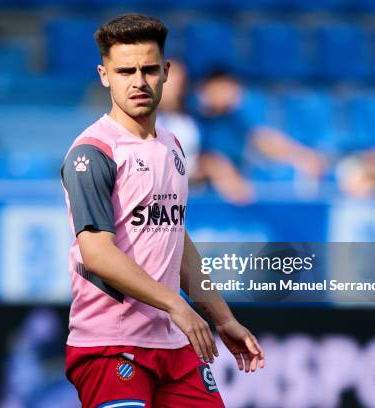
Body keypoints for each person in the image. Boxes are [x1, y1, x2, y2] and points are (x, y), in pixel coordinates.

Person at [60, 14, 264, 408]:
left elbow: (176, 239)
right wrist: (176, 305)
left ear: (166, 72)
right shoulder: (93, 152)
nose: (138, 81)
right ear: (105, 75)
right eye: (125, 71)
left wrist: (222, 319)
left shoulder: (173, 144)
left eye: (149, 69)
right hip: (111, 343)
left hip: (173, 342)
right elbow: (97, 253)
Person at [196, 70, 327, 204]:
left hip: (238, 189)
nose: (223, 95)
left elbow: (263, 139)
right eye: (218, 89)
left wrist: (301, 156)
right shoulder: (194, 119)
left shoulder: (238, 118)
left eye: (227, 89)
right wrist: (218, 170)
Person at [157, 60, 202, 179]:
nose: (176, 90)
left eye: (179, 84)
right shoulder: (138, 122)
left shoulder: (192, 121)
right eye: (168, 83)